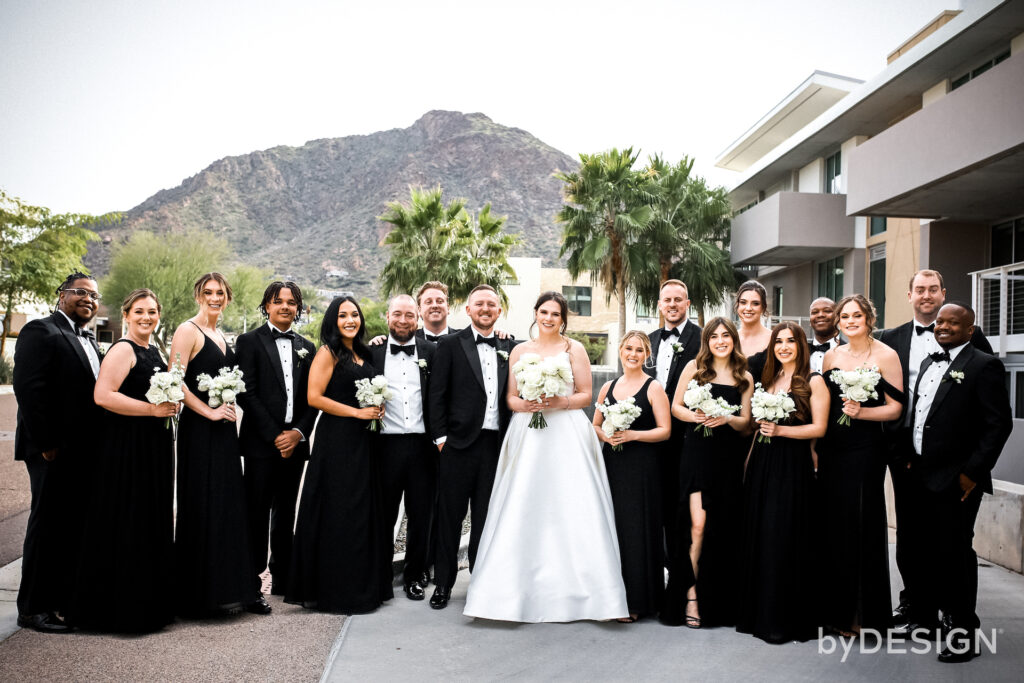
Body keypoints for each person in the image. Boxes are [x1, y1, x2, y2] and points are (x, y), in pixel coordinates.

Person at [464, 291, 628, 622]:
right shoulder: (520, 350)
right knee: (524, 501)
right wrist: (525, 404)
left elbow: (585, 395)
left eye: (555, 313)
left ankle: (589, 594)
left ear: (563, 319)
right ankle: (508, 593)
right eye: (544, 312)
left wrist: (558, 402)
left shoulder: (574, 349)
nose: (549, 318)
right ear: (535, 314)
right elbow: (510, 397)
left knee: (572, 504)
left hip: (565, 432)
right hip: (529, 432)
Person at [876, 269, 992, 630]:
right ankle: (916, 607)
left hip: (955, 458)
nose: (926, 295)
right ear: (909, 295)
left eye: (932, 289)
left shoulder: (975, 343)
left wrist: (973, 468)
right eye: (919, 290)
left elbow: (990, 410)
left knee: (953, 540)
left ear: (944, 293)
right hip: (906, 455)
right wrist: (897, 451)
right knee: (910, 536)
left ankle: (954, 615)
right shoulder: (891, 338)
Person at [900, 303, 1010, 662]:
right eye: (940, 322)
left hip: (956, 479)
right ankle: (928, 620)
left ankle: (962, 634)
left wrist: (971, 475)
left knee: (955, 554)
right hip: (919, 475)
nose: (943, 327)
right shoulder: (931, 363)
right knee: (922, 550)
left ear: (970, 328)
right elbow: (920, 415)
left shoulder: (983, 365)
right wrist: (908, 456)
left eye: (953, 322)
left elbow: (998, 425)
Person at [71, 289, 178, 632]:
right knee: (128, 520)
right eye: (140, 311)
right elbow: (102, 396)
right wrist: (152, 410)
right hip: (128, 449)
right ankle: (122, 612)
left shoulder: (154, 351)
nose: (147, 317)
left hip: (154, 447)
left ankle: (149, 604)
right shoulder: (122, 349)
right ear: (127, 315)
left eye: (152, 312)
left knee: (149, 520)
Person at [286, 296, 394, 613]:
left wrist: (377, 406)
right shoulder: (327, 352)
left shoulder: (365, 352)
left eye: (355, 314)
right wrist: (357, 413)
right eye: (343, 315)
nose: (350, 320)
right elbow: (314, 397)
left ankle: (365, 584)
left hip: (367, 442)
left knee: (363, 509)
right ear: (333, 320)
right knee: (339, 509)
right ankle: (337, 590)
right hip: (338, 440)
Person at [12, 273, 103, 633]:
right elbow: (29, 388)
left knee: (69, 526)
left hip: (82, 450)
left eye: (94, 296)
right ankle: (33, 608)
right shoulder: (41, 330)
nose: (88, 300)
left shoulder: (89, 339)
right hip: (52, 450)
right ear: (61, 295)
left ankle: (61, 599)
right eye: (81, 292)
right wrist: (46, 443)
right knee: (47, 524)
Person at [169, 272, 264, 617]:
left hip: (225, 432)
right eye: (208, 292)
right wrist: (208, 415)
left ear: (228, 297)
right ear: (198, 295)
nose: (214, 297)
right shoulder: (187, 331)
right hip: (200, 430)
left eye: (220, 292)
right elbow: (175, 381)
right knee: (202, 502)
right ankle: (197, 597)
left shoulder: (221, 335)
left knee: (225, 505)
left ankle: (225, 590)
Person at [816, 295, 903, 637]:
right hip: (832, 447)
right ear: (838, 322)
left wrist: (863, 412)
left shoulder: (885, 355)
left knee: (861, 523)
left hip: (867, 448)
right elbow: (824, 403)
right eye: (845, 316)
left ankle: (861, 613)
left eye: (857, 315)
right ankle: (832, 610)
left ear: (869, 318)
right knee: (833, 525)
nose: (850, 320)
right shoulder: (832, 356)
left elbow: (896, 408)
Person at [426, 285, 517, 610]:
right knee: (449, 519)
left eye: (491, 304)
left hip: (495, 446)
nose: (485, 309)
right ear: (467, 309)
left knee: (485, 518)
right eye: (480, 304)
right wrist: (440, 439)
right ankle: (444, 585)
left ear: (498, 311)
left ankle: (480, 581)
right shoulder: (450, 344)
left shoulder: (510, 344)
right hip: (457, 447)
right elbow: (436, 394)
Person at [737, 322, 828, 644]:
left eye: (791, 341)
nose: (784, 346)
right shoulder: (769, 379)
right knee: (761, 532)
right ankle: (759, 613)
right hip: (763, 461)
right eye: (779, 341)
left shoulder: (813, 381)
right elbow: (755, 427)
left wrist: (782, 431)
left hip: (792, 464)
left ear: (801, 345)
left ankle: (785, 619)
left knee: (783, 534)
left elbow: (819, 428)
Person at [663, 317, 753, 629]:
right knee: (697, 526)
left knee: (722, 528)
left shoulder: (744, 376)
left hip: (727, 459)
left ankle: (717, 600)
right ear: (707, 341)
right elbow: (676, 407)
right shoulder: (694, 368)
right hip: (697, 454)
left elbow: (746, 425)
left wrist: (726, 418)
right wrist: (699, 416)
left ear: (733, 339)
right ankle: (690, 596)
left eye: (725, 335)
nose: (719, 341)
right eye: (714, 336)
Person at [236, 282, 318, 599]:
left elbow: (313, 398)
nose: (285, 306)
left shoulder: (307, 347)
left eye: (291, 302)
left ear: (298, 308)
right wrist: (275, 436)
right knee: (256, 511)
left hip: (295, 443)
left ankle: (283, 576)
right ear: (266, 306)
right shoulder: (248, 342)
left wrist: (297, 433)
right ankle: (253, 579)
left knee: (286, 512)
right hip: (261, 444)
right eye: (278, 301)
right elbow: (247, 393)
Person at [594, 331, 671, 622]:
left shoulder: (654, 388)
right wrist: (609, 436)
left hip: (642, 468)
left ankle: (638, 600)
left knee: (638, 530)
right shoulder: (608, 387)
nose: (633, 354)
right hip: (613, 465)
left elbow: (665, 431)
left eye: (639, 350)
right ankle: (613, 596)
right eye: (628, 348)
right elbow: (596, 425)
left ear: (647, 355)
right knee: (615, 528)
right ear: (620, 350)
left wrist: (632, 434)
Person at [369, 295, 436, 601]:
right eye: (398, 314)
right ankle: (379, 576)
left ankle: (414, 576)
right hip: (385, 445)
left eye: (410, 315)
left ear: (418, 318)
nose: (404, 320)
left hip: (424, 446)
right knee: (383, 513)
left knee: (420, 515)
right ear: (387, 316)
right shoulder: (372, 351)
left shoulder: (432, 351)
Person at [644, 279, 700, 572]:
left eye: (679, 299)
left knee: (683, 506)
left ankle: (683, 570)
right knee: (656, 504)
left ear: (687, 304)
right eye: (667, 300)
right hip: (651, 437)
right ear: (660, 304)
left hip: (687, 436)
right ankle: (658, 568)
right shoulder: (648, 340)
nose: (673, 305)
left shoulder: (702, 338)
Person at [734, 280, 772, 380]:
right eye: (743, 302)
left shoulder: (774, 339)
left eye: (755, 303)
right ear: (737, 305)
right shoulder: (728, 338)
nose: (748, 308)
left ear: (763, 307)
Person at [808, 297, 843, 374]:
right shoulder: (800, 352)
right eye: (814, 312)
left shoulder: (850, 351)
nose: (820, 315)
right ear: (810, 321)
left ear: (837, 318)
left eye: (827, 311)